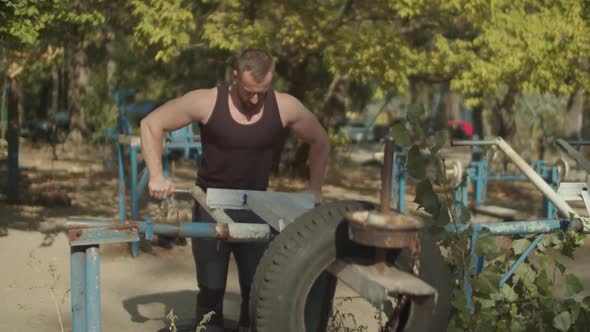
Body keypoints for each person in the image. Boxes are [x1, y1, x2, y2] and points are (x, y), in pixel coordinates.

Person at [140, 49, 330, 331]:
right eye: (248, 91)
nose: (254, 99)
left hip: (258, 208)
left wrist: (315, 190)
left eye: (261, 92)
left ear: (271, 80)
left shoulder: (285, 106)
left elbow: (320, 140)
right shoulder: (206, 101)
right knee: (211, 292)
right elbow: (151, 123)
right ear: (235, 76)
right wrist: (156, 175)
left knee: (257, 295)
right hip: (209, 206)